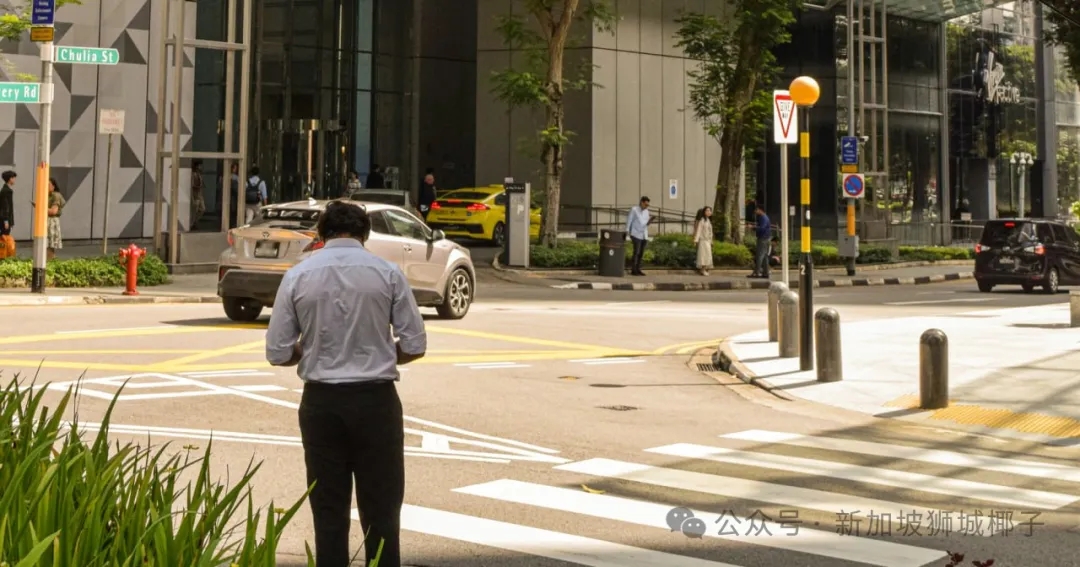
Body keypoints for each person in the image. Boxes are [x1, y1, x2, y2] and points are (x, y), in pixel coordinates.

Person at [265, 200, 427, 567]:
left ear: (320, 235)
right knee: (382, 515)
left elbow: (277, 351)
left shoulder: (298, 275)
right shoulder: (386, 273)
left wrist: (308, 353)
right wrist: (383, 353)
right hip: (376, 402)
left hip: (322, 404)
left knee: (328, 513)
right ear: (365, 235)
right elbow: (415, 344)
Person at [626, 196, 651, 276]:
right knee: (636, 252)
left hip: (644, 234)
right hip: (635, 233)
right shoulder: (634, 210)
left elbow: (646, 223)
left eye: (648, 205)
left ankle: (638, 269)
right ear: (641, 202)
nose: (646, 206)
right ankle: (634, 270)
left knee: (641, 253)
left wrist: (649, 222)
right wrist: (627, 231)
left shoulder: (647, 212)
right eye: (645, 204)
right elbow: (629, 220)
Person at [750, 204, 771, 278]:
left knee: (760, 255)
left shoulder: (763, 218)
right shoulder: (764, 217)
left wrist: (753, 227)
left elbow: (762, 228)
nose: (755, 211)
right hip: (765, 238)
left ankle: (756, 272)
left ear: (760, 210)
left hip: (763, 238)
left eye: (756, 210)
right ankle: (765, 272)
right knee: (764, 256)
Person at [46, 178, 65, 260]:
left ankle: (50, 260)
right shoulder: (47, 195)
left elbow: (53, 211)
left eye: (48, 185)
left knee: (50, 245)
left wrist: (41, 207)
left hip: (52, 222)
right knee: (47, 244)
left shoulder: (55, 195)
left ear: (53, 186)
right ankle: (49, 260)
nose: (46, 187)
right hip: (48, 221)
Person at [693, 206, 713, 276]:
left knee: (708, 255)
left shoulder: (708, 220)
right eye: (707, 211)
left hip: (707, 241)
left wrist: (711, 241)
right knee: (703, 255)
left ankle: (704, 269)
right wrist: (696, 240)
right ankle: (703, 270)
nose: (709, 212)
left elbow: (710, 232)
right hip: (703, 241)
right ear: (704, 212)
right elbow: (698, 231)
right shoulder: (702, 220)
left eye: (710, 211)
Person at [0, 170, 14, 259]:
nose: (14, 180)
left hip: (6, 218)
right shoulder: (6, 191)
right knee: (4, 237)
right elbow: (5, 207)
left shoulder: (5, 189)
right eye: (13, 178)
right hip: (5, 219)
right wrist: (6, 220)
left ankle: (4, 255)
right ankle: (3, 255)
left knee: (4, 237)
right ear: (9, 179)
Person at [191, 160, 206, 229]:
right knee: (195, 210)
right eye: (200, 166)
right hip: (196, 194)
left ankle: (195, 222)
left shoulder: (199, 174)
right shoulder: (193, 174)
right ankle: (193, 224)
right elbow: (192, 185)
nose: (201, 167)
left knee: (202, 209)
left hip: (200, 194)